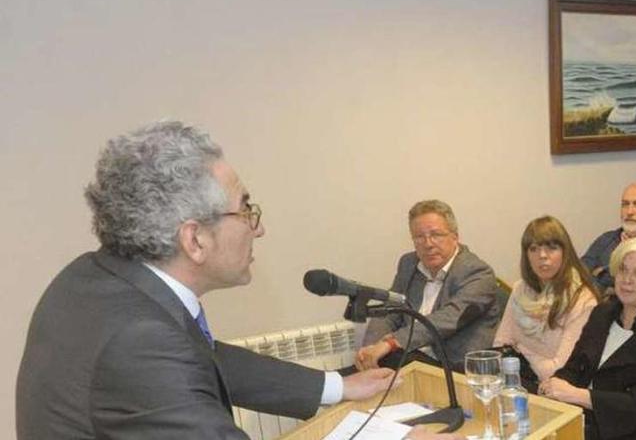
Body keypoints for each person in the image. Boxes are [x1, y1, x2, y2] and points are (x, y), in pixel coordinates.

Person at [16, 121, 401, 439]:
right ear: (195, 239)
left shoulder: (93, 277)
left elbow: (203, 357)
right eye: (246, 209)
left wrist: (338, 386)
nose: (259, 227)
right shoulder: (142, 344)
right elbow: (174, 363)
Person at [540, 237, 636, 440]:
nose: (627, 279)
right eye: (623, 269)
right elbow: (576, 366)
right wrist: (556, 383)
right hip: (587, 421)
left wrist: (577, 395)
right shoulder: (602, 313)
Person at [356, 200, 500, 372]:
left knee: (392, 361)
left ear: (455, 237)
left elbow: (447, 319)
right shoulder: (409, 264)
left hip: (454, 369)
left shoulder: (478, 273)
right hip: (409, 359)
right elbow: (389, 312)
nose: (428, 244)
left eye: (436, 235)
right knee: (344, 380)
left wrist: (391, 342)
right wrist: (371, 351)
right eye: (419, 237)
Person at [493, 216, 601, 392]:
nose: (542, 256)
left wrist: (520, 351)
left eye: (552, 248)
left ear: (565, 253)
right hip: (516, 383)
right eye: (534, 249)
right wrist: (522, 359)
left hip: (556, 392)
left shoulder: (583, 300)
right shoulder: (521, 289)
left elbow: (560, 369)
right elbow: (500, 345)